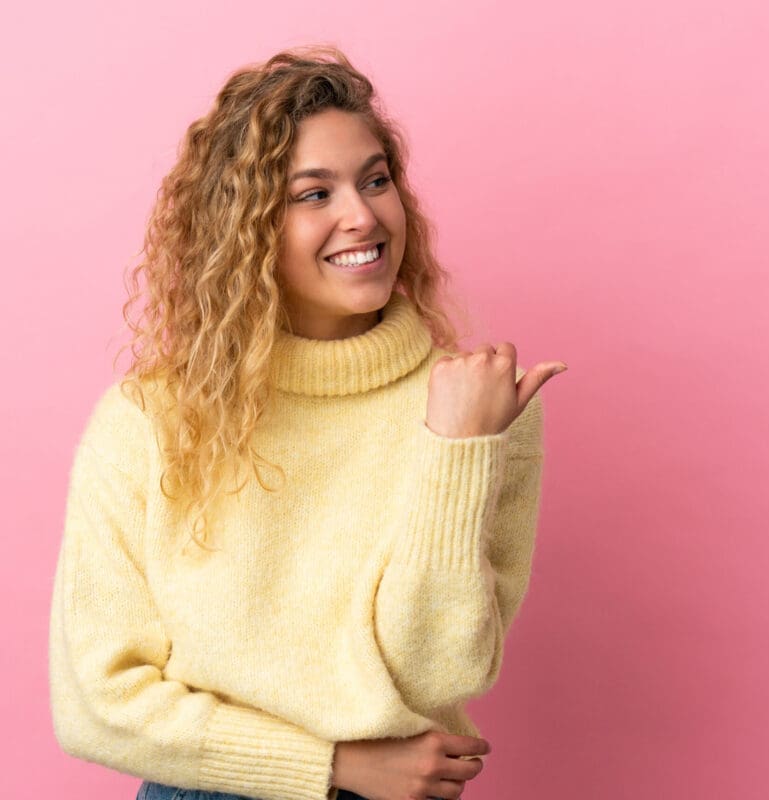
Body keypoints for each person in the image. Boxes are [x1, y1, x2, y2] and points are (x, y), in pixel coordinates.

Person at [48, 45, 567, 800]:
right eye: (312, 194)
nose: (363, 215)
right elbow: (96, 702)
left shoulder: (481, 409)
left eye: (376, 179)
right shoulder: (150, 421)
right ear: (246, 227)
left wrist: (458, 453)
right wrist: (330, 767)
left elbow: (439, 673)